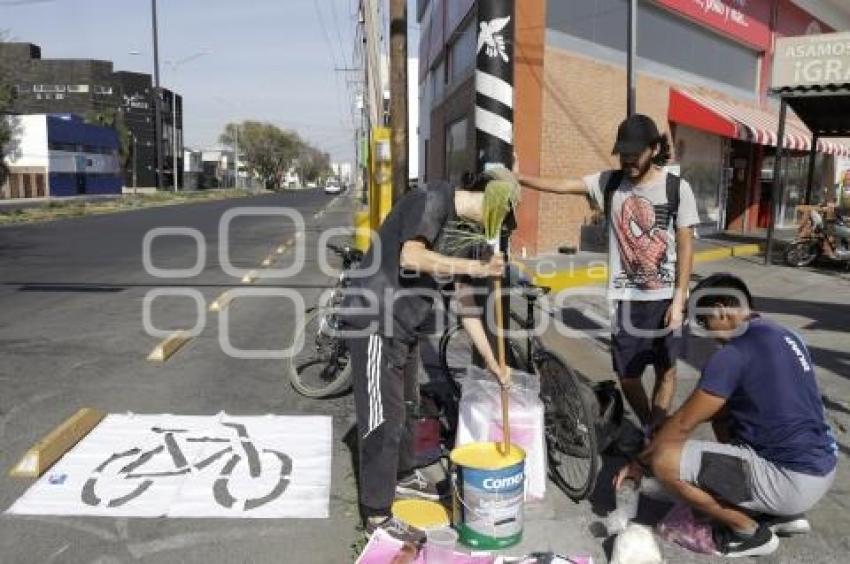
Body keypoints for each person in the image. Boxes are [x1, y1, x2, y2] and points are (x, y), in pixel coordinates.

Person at [339, 169, 517, 533]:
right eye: (501, 209)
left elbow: (465, 303)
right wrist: (476, 266)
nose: (498, 221)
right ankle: (376, 512)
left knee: (406, 409)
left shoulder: (467, 236)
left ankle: (401, 476)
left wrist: (496, 362)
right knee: (381, 418)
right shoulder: (434, 198)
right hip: (376, 317)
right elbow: (411, 257)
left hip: (407, 326)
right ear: (485, 194)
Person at [614, 273, 838, 558]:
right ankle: (778, 513)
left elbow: (683, 424)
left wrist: (638, 462)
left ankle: (748, 531)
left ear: (720, 309)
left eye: (704, 322)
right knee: (722, 416)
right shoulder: (787, 335)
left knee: (664, 459)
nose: (705, 332)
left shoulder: (733, 353)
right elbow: (726, 408)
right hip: (821, 468)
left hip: (788, 479)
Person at [517, 114, 700, 433]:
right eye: (623, 153)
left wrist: (680, 299)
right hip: (626, 299)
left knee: (666, 370)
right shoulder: (611, 183)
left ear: (654, 148)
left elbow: (685, 245)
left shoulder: (676, 188)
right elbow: (563, 185)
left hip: (666, 298)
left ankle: (654, 434)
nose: (628, 159)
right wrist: (520, 178)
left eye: (635, 152)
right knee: (627, 374)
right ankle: (651, 427)